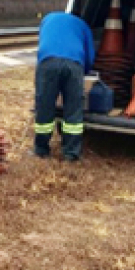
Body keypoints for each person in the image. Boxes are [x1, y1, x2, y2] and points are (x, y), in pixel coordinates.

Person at [34, 11, 95, 161]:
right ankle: (71, 153)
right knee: (73, 108)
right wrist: (85, 70)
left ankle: (41, 150)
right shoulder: (83, 25)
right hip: (74, 63)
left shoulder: (47, 18)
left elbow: (43, 42)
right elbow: (90, 56)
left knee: (45, 105)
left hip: (47, 61)